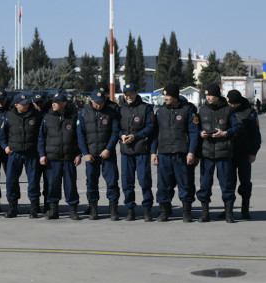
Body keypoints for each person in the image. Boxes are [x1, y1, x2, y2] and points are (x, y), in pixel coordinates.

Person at [150, 84, 199, 222]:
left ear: (175, 96)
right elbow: (155, 134)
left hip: (181, 153)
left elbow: (194, 133)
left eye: (168, 95)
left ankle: (186, 212)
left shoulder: (188, 110)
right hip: (164, 153)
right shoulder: (160, 112)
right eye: (164, 95)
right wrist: (153, 152)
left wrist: (191, 152)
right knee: (163, 184)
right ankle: (164, 211)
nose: (165, 98)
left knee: (186, 183)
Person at [196, 84, 243, 223]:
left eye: (210, 95)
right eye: (206, 95)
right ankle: (205, 213)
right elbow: (195, 127)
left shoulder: (229, 110)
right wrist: (201, 133)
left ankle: (229, 213)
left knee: (227, 184)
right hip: (207, 153)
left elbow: (239, 127)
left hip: (224, 153)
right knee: (204, 184)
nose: (208, 97)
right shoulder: (202, 110)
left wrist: (225, 133)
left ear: (217, 95)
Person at [77, 89, 120, 220]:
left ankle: (113, 208)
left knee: (112, 181)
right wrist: (85, 153)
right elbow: (80, 135)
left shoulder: (111, 112)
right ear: (91, 100)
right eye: (96, 102)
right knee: (91, 182)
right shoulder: (83, 113)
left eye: (101, 102)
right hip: (91, 155)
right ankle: (93, 208)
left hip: (107, 153)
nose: (99, 104)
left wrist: (108, 149)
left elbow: (115, 132)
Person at [38, 93, 82, 220]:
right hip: (53, 158)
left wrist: (78, 154)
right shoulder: (47, 118)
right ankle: (53, 210)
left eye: (56, 102)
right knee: (53, 185)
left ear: (64, 103)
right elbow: (41, 138)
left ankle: (73, 210)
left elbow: (78, 137)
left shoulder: (73, 117)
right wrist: (42, 155)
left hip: (69, 158)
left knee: (70, 185)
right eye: (53, 102)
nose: (53, 104)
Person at [0, 93, 42, 218]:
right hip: (14, 153)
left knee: (33, 181)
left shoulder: (36, 115)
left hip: (31, 153)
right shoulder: (8, 116)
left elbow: (42, 135)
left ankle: (34, 207)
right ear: (16, 105)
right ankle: (12, 207)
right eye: (23, 104)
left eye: (27, 103)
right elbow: (2, 135)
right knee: (11, 181)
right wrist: (5, 147)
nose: (26, 105)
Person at [118, 83, 156, 221]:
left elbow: (150, 127)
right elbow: (116, 127)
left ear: (136, 93)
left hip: (141, 150)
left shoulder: (146, 108)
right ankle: (130, 209)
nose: (128, 96)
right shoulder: (120, 109)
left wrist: (135, 136)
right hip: (125, 151)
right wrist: (121, 135)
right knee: (127, 182)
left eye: (131, 94)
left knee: (144, 181)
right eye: (126, 94)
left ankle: (147, 209)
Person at [226, 89, 262, 220]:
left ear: (239, 102)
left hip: (244, 153)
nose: (230, 105)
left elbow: (256, 135)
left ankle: (245, 210)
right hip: (228, 153)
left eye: (232, 103)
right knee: (228, 182)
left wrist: (253, 152)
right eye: (229, 103)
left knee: (245, 182)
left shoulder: (250, 113)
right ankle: (228, 210)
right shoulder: (226, 110)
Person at [33, 92, 51, 212]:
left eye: (41, 102)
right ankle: (35, 205)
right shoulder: (30, 113)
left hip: (48, 151)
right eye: (36, 103)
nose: (39, 105)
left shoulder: (50, 113)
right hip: (33, 152)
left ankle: (47, 205)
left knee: (48, 180)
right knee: (34, 180)